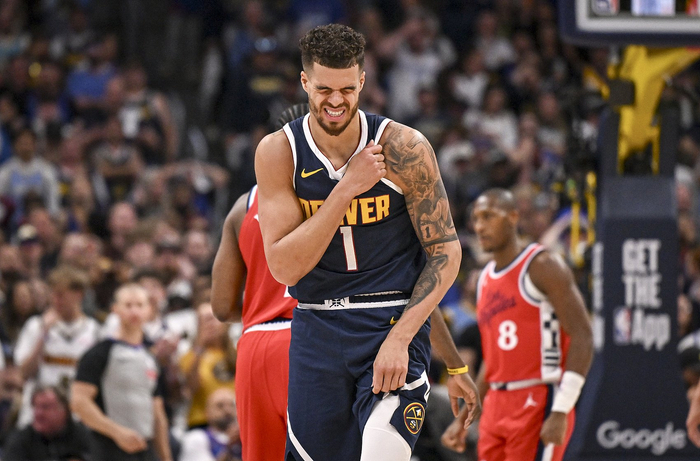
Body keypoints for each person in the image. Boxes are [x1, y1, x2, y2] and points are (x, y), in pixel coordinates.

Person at [254, 24, 477, 460]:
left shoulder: (404, 146)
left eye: (346, 89)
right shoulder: (279, 151)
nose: (335, 101)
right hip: (316, 328)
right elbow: (283, 267)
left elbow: (446, 253)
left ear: (362, 81)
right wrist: (346, 190)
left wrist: (403, 339)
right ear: (304, 82)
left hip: (389, 323)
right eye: (324, 90)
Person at [441, 188, 593, 460]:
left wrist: (562, 409)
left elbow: (583, 335)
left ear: (513, 217)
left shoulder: (543, 265)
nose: (479, 226)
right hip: (496, 404)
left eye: (489, 216)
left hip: (537, 396)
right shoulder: (484, 280)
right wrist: (464, 418)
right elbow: (493, 360)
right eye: (476, 219)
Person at [70, 284, 172, 461]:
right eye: (128, 305)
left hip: (145, 449)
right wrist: (116, 432)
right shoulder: (99, 353)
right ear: (115, 309)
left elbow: (158, 414)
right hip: (109, 448)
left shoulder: (150, 357)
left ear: (149, 310)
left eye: (140, 305)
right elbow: (79, 402)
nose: (134, 311)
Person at [3, 385, 92, 461]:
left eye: (45, 407)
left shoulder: (82, 435)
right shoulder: (22, 438)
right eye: (35, 407)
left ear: (64, 410)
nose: (38, 413)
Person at [178, 388, 242, 461]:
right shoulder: (196, 438)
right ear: (207, 412)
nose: (228, 410)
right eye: (220, 406)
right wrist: (228, 448)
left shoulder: (243, 439)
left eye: (232, 405)